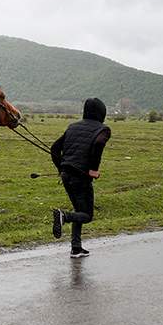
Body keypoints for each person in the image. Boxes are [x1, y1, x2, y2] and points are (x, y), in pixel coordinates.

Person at [50, 98, 111, 258]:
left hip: (66, 175)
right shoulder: (103, 130)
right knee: (87, 215)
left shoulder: (72, 126)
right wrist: (93, 170)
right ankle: (64, 216)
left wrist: (60, 167)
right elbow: (98, 144)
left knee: (80, 210)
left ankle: (76, 248)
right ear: (101, 112)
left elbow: (54, 148)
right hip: (81, 178)